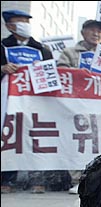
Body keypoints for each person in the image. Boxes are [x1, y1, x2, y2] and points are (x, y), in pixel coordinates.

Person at [1, 9, 54, 194]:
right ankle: (6, 179)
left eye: (26, 21)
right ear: (9, 26)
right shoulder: (2, 47)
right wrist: (2, 69)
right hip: (9, 102)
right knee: (10, 138)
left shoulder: (42, 49)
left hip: (37, 102)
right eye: (19, 21)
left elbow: (52, 75)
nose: (24, 24)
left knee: (36, 137)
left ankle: (37, 179)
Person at [57, 19, 101, 194]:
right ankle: (78, 179)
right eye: (92, 30)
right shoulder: (70, 52)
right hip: (76, 105)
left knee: (100, 141)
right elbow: (62, 71)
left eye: (99, 32)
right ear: (83, 32)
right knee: (78, 141)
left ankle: (100, 179)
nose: (96, 34)